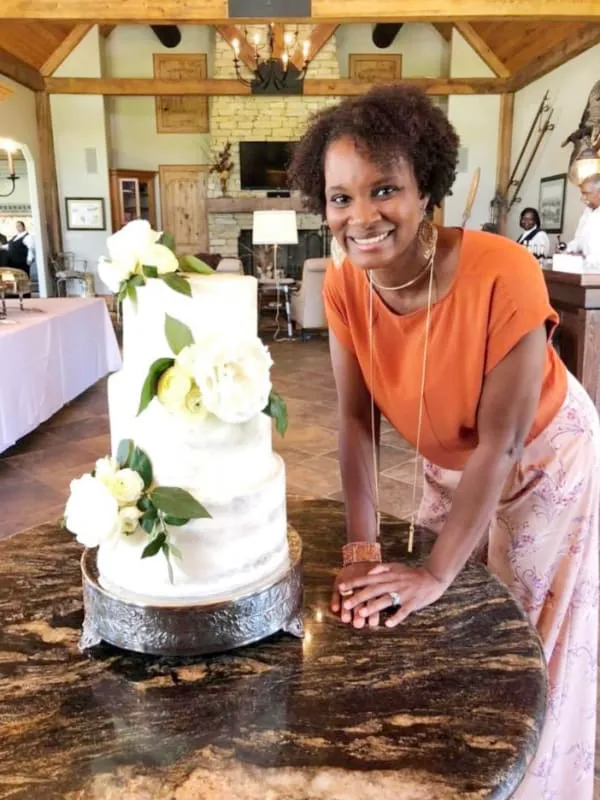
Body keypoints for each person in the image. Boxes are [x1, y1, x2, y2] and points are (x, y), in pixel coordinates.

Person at [288, 83, 599, 799]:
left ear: (426, 188)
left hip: (544, 457)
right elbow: (354, 420)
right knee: (438, 619)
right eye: (341, 198)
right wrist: (362, 547)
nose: (361, 217)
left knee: (518, 626)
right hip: (449, 460)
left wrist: (432, 572)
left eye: (384, 189)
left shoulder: (503, 272)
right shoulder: (343, 286)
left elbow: (505, 441)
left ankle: (530, 781)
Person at [566, 173, 600, 268]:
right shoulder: (587, 212)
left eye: (586, 193)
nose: (582, 198)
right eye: (582, 193)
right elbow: (578, 240)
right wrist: (567, 249)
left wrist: (585, 259)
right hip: (584, 273)